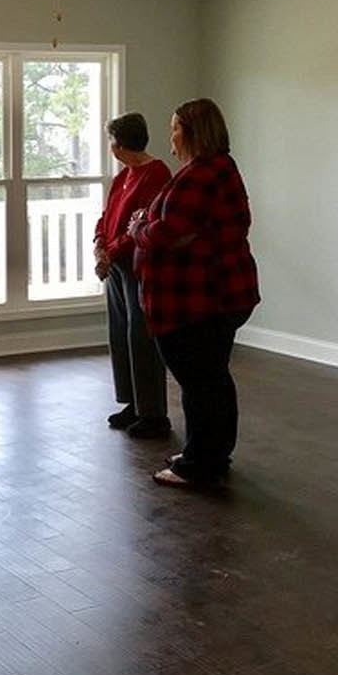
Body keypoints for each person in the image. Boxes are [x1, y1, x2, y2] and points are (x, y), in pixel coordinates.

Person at [131, 98, 260, 487]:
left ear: (191, 132)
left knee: (200, 383)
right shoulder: (213, 170)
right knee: (211, 380)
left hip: (200, 300)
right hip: (217, 295)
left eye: (174, 127)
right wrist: (154, 224)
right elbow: (178, 231)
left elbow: (168, 233)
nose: (170, 134)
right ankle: (208, 454)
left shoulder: (203, 175)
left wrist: (140, 226)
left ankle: (200, 465)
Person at [93, 112, 172, 437]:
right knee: (120, 334)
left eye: (112, 140)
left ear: (121, 144)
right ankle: (132, 403)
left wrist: (112, 251)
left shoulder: (155, 173)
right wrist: (100, 244)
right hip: (115, 265)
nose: (110, 146)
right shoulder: (122, 176)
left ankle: (154, 413)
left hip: (138, 264)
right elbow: (107, 216)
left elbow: (142, 222)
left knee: (141, 337)